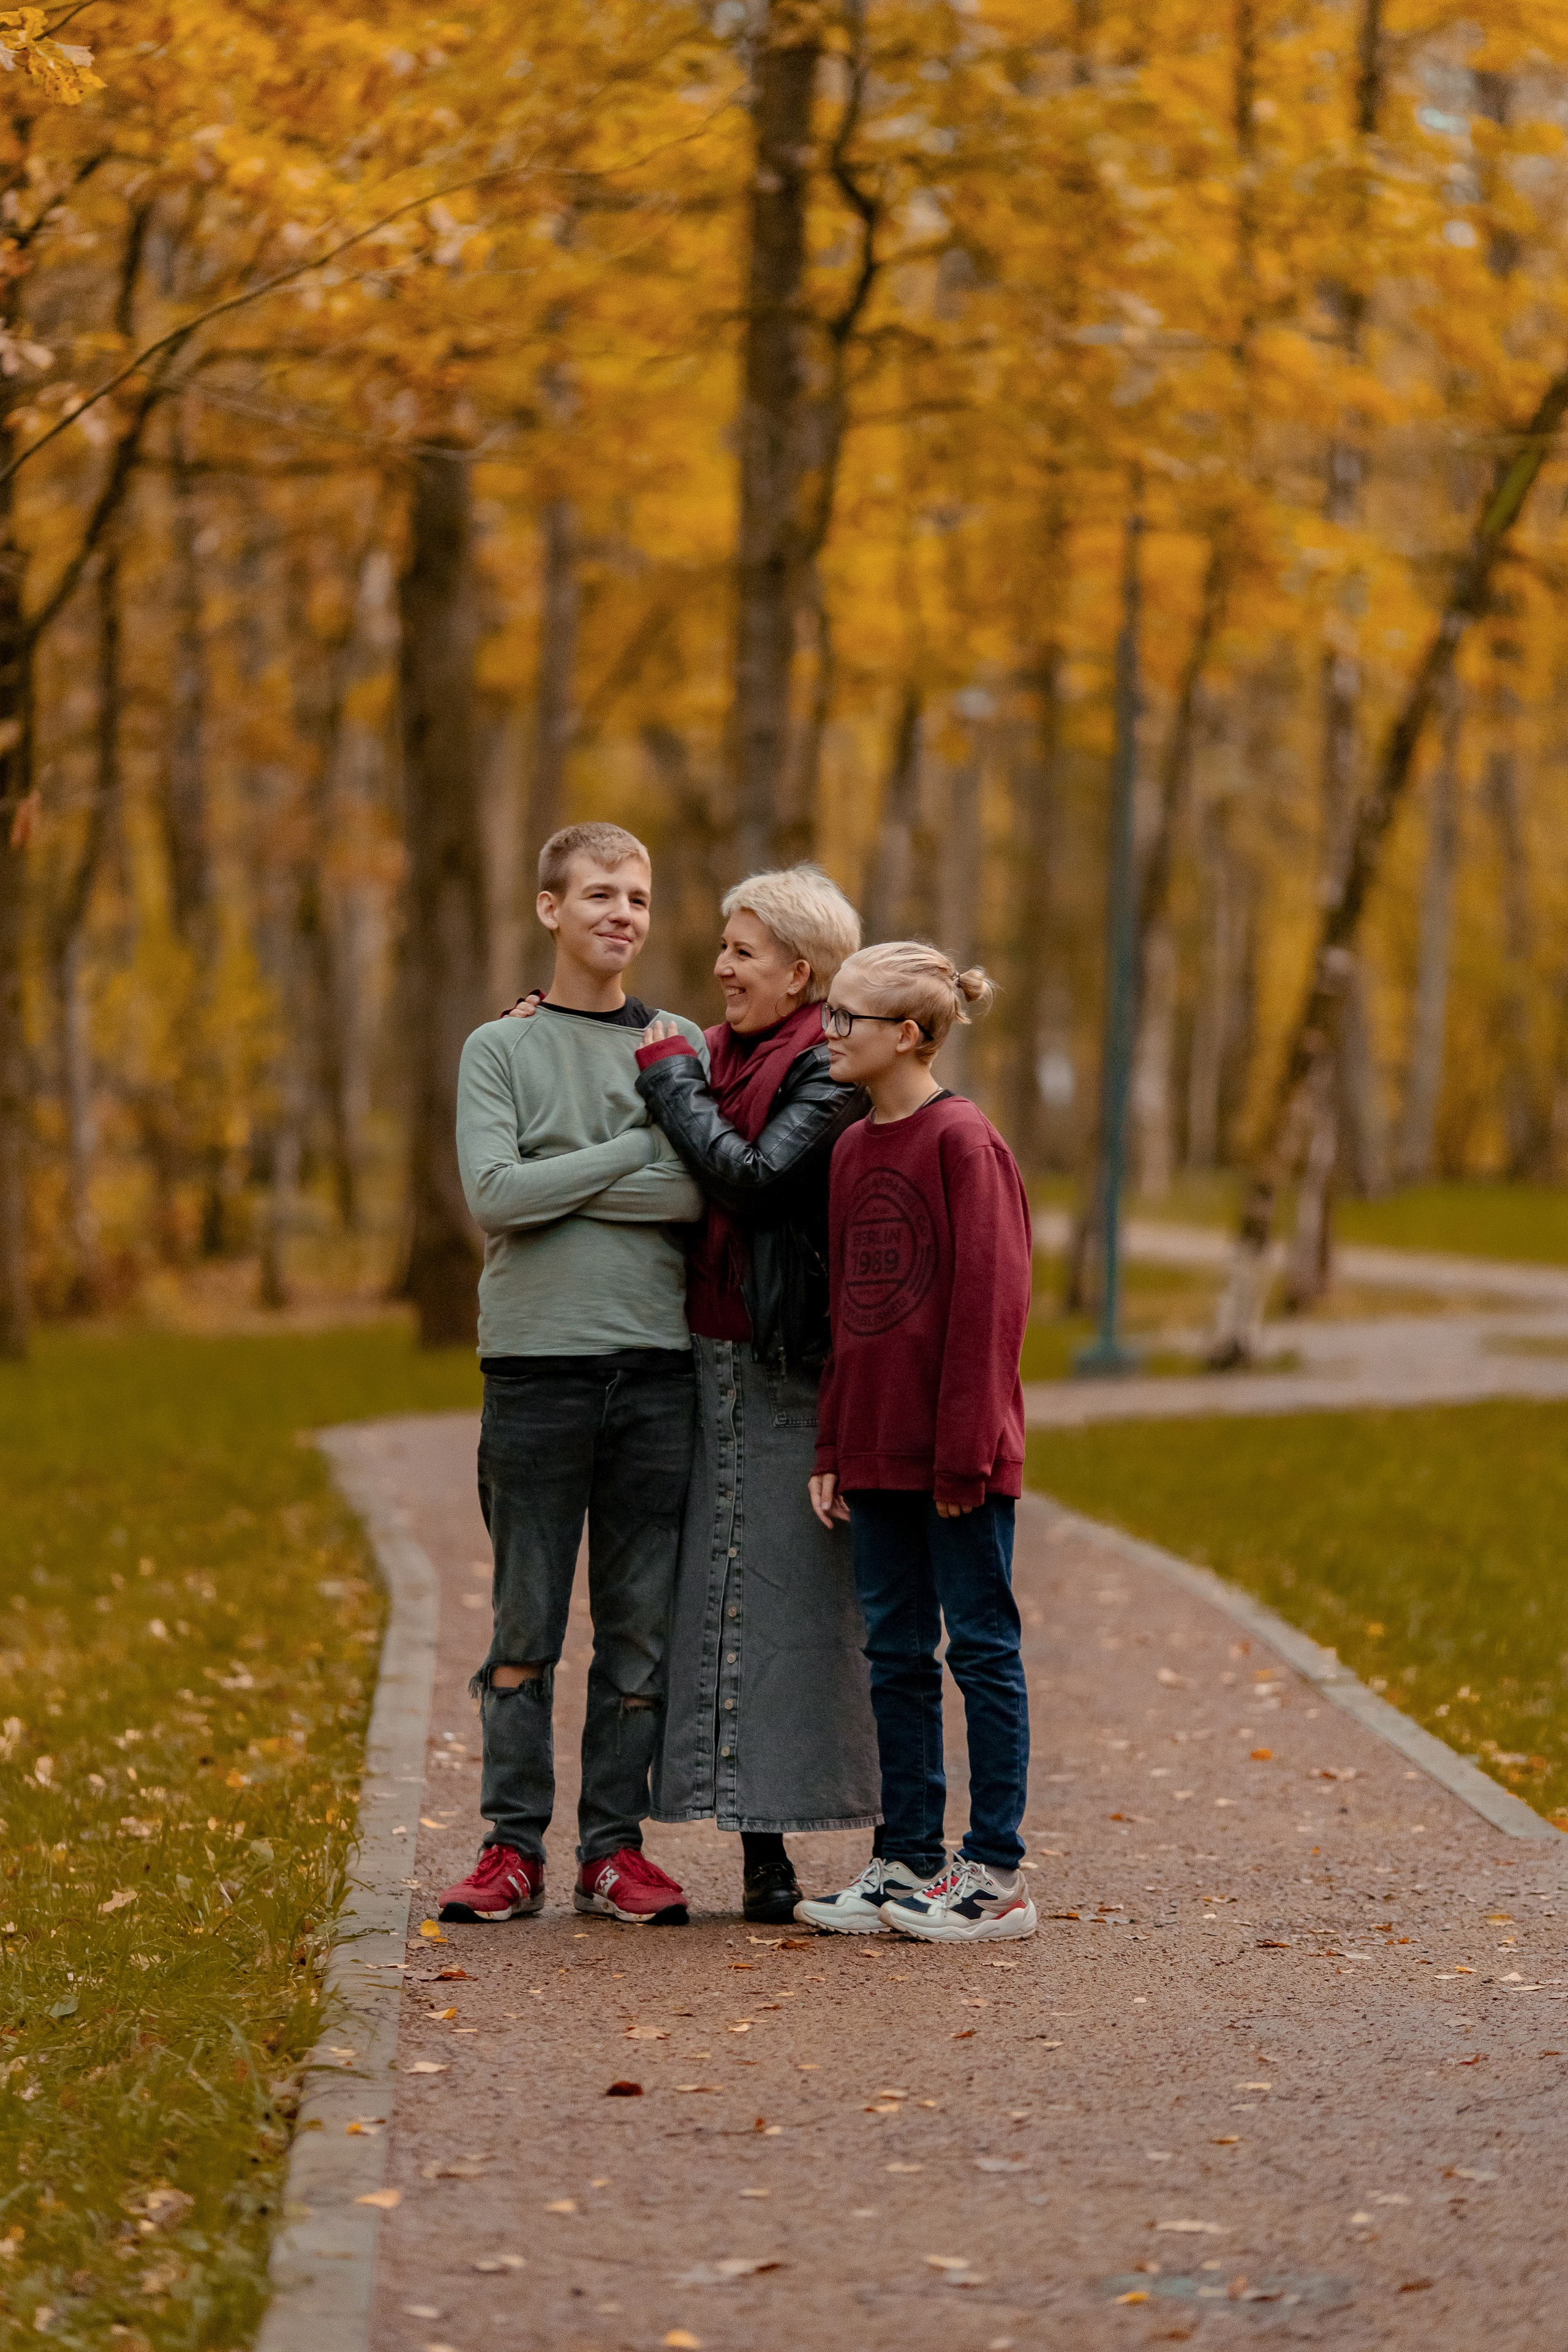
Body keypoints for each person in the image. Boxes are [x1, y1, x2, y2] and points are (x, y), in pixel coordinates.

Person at [437, 822, 707, 1928]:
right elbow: (495, 1199)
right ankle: (512, 1849)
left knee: (638, 1630)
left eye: (638, 898)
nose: (622, 915)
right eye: (600, 893)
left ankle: (611, 1852)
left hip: (656, 1371)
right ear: (550, 909)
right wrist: (636, 1156)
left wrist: (561, 1176)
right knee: (525, 1628)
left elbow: (696, 1197)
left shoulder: (682, 1041)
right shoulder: (496, 1050)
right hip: (538, 1371)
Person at [633, 866, 881, 1924]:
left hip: (786, 1369)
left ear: (802, 971)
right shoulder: (713, 1049)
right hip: (698, 1358)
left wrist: (673, 1082)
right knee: (706, 1604)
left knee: (790, 1607)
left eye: (741, 951)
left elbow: (754, 1178)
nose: (721, 967)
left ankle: (841, 1841)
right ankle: (754, 1848)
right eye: (724, 948)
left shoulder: (831, 1066)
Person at [799, 941, 1038, 1943]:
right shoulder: (852, 1146)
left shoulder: (964, 1144)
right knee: (894, 1653)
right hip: (877, 1454)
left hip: (957, 1463)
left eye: (846, 1018)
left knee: (979, 1650)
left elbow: (990, 1311)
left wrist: (963, 1457)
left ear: (908, 1034)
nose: (827, 1033)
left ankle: (995, 1873)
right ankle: (907, 1858)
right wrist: (832, 1444)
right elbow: (849, 1314)